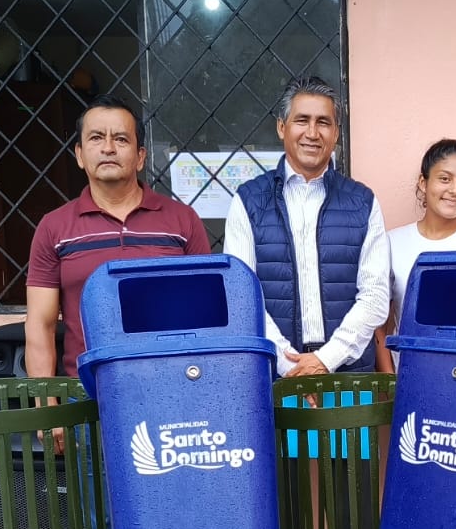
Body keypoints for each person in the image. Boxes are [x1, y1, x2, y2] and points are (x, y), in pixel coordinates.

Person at [25, 94, 211, 381]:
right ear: (79, 155)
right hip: (86, 391)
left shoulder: (182, 221)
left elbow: (206, 313)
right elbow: (41, 324)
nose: (108, 148)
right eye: (96, 138)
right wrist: (45, 402)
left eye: (121, 139)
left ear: (140, 157)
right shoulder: (54, 228)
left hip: (172, 385)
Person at [223, 76, 389, 377]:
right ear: (281, 127)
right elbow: (241, 295)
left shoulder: (362, 202)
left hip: (348, 374)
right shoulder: (248, 201)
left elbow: (375, 296)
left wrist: (325, 359)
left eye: (323, 122)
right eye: (302, 120)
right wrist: (291, 366)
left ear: (336, 133)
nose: (312, 133)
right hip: (273, 373)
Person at [374, 138, 456, 371]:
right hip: (411, 377)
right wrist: (391, 380)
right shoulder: (392, 243)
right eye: (445, 179)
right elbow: (379, 325)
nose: (455, 190)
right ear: (423, 183)